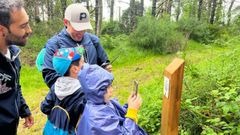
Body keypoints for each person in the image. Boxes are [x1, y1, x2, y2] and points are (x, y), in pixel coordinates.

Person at [42, 3, 112, 88]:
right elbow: (49, 77)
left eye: (84, 28)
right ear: (66, 22)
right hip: (70, 99)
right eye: (77, 28)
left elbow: (104, 63)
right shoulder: (54, 44)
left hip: (94, 95)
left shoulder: (93, 40)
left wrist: (106, 69)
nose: (81, 32)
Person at [77, 64, 147, 135]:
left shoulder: (100, 102)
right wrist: (132, 113)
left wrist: (129, 105)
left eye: (111, 85)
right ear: (98, 91)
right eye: (107, 87)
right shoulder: (97, 120)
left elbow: (116, 115)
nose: (112, 90)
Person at [0, 0, 34, 134]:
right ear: (2, 29)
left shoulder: (13, 54)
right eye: (23, 26)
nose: (29, 30)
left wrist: (23, 109)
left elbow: (14, 86)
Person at [41, 47, 86, 134]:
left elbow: (45, 108)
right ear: (75, 69)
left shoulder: (55, 86)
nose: (85, 65)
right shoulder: (83, 92)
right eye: (83, 63)